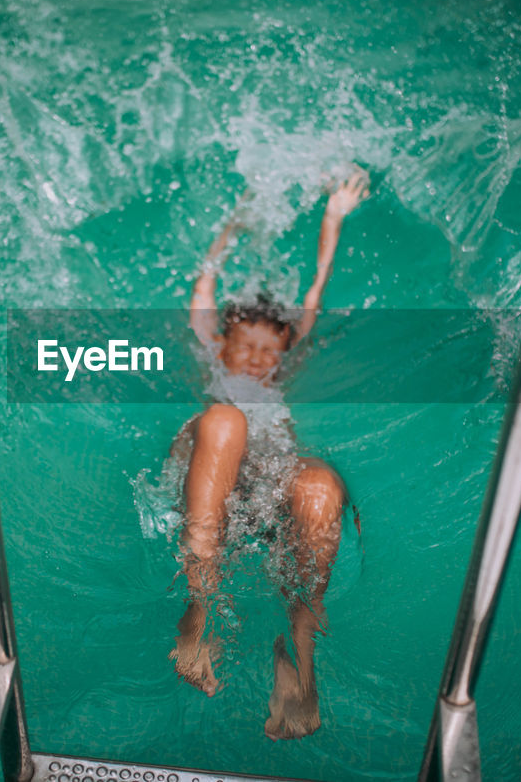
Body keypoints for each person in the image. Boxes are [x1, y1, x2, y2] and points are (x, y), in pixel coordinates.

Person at [168, 167, 371, 740]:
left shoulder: (280, 371)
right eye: (246, 346)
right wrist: (236, 220)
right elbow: (204, 286)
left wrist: (331, 219)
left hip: (269, 476)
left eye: (268, 351)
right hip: (212, 460)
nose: (258, 359)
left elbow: (313, 298)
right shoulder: (210, 354)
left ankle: (302, 663)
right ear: (221, 341)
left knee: (320, 485)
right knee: (226, 420)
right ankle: (200, 609)